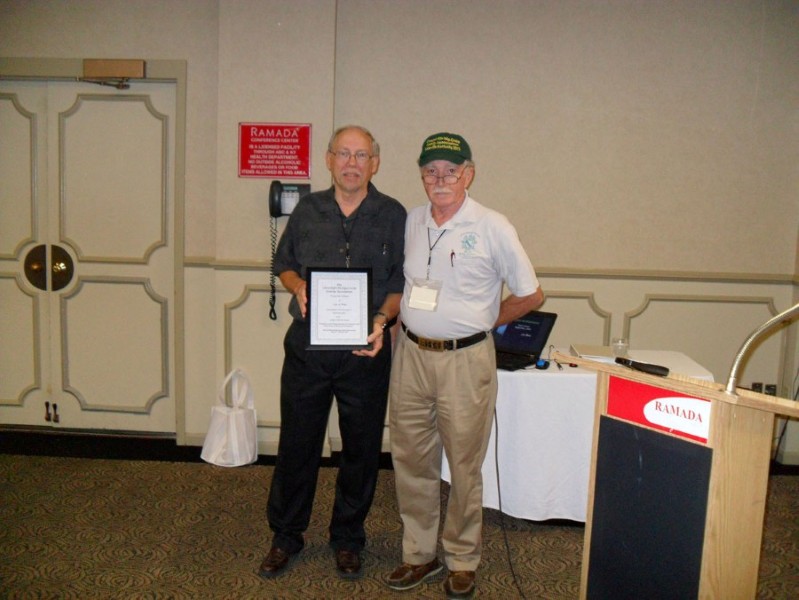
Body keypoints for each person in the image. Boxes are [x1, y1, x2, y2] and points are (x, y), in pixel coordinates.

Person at [386, 133, 544, 599]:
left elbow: (532, 293)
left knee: (463, 463)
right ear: (421, 175)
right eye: (430, 171)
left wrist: (481, 324)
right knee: (411, 459)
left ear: (468, 174)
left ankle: (461, 557)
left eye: (449, 171)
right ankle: (419, 554)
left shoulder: (493, 225)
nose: (440, 179)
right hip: (412, 356)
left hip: (465, 361)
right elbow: (410, 286)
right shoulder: (414, 221)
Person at [259, 125, 406, 580]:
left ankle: (348, 537)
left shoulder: (393, 214)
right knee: (297, 445)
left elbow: (401, 281)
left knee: (360, 450)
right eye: (343, 153)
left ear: (374, 164)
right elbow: (281, 264)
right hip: (308, 350)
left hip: (366, 351)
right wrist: (298, 284)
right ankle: (286, 535)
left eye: (361, 155)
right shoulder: (308, 210)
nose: (351, 163)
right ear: (328, 159)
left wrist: (382, 322)